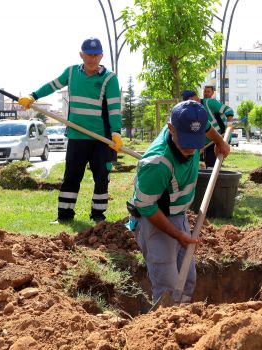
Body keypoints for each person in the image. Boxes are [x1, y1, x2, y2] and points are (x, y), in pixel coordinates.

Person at [127, 100, 230, 303]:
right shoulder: (157, 163)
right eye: (185, 141)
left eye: (196, 141)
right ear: (171, 128)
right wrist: (178, 235)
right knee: (168, 285)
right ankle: (165, 326)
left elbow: (207, 126)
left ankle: (183, 319)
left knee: (188, 278)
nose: (191, 148)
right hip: (155, 219)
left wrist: (219, 141)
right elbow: (147, 207)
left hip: (179, 214)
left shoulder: (194, 125)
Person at [18, 37, 123, 224]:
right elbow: (53, 85)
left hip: (101, 138)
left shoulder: (109, 78)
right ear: (81, 54)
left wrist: (116, 132)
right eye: (88, 55)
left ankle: (98, 215)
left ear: (101, 56)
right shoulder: (72, 72)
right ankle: (64, 215)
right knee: (72, 176)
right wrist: (33, 96)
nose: (91, 59)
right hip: (77, 136)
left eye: (95, 55)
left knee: (101, 178)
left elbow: (115, 108)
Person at [201, 85, 234, 168]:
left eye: (208, 91)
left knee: (212, 162)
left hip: (219, 136)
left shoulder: (210, 102)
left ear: (212, 93)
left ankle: (213, 177)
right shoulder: (201, 104)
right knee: (209, 162)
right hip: (209, 139)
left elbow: (229, 110)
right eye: (205, 91)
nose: (206, 93)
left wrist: (229, 126)